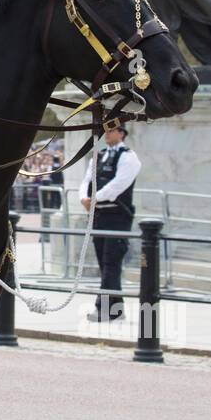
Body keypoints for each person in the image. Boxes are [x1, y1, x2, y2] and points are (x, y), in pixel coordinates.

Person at [81, 126, 142, 322]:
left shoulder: (128, 157)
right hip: (99, 215)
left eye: (111, 130)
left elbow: (118, 185)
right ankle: (116, 310)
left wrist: (94, 198)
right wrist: (84, 198)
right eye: (105, 131)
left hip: (117, 215)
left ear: (122, 133)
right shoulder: (98, 156)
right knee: (104, 262)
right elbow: (87, 180)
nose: (106, 134)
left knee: (111, 262)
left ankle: (103, 308)